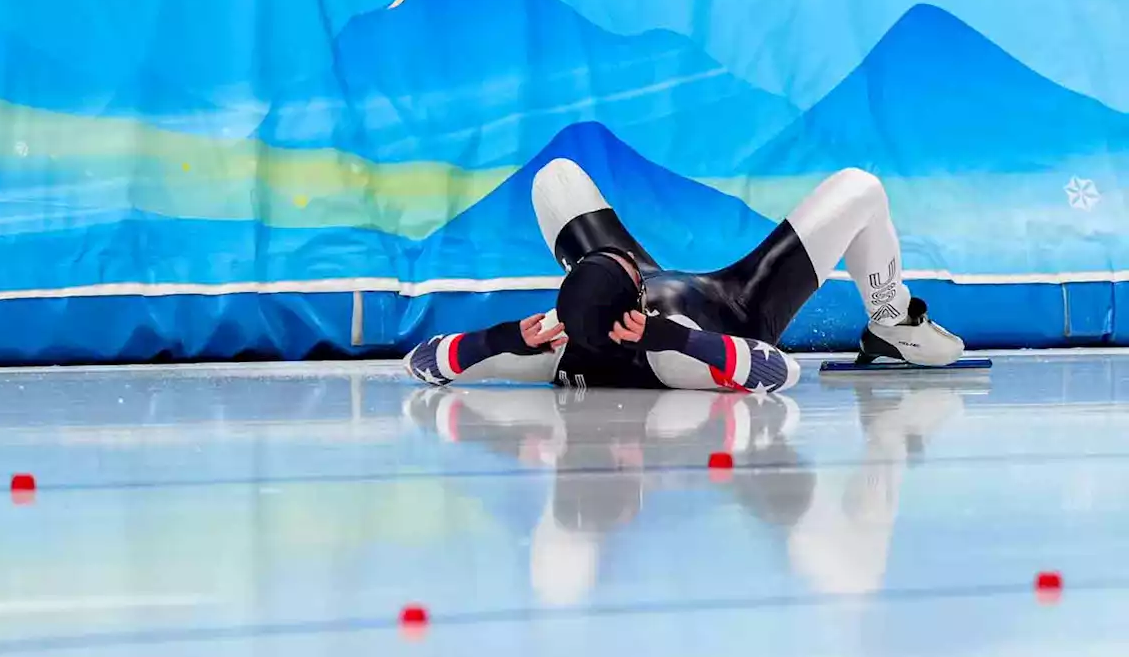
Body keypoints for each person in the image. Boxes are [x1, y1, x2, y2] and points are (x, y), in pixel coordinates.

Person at [405, 159, 964, 392]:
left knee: (555, 176)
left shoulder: (557, 339)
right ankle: (891, 322)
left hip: (620, 308)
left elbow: (421, 362)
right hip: (740, 303)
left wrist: (501, 339)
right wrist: (677, 337)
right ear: (637, 297)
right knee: (861, 189)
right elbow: (777, 374)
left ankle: (594, 274)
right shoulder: (671, 355)